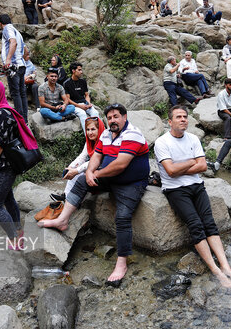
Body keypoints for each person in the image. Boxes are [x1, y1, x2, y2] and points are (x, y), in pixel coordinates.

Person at [39, 103, 150, 284]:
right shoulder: (106, 134)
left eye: (116, 116)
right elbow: (96, 156)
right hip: (109, 178)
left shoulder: (133, 134)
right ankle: (63, 220)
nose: (112, 120)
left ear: (124, 117)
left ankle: (122, 262)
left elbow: (120, 164)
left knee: (122, 216)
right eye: (110, 117)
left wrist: (96, 173)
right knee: (82, 180)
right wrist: (89, 172)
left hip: (131, 183)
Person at [155, 106, 231, 289]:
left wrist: (182, 165)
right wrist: (190, 161)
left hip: (196, 186)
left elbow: (203, 166)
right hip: (175, 189)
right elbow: (171, 172)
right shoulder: (162, 142)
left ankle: (226, 267)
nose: (183, 120)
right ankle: (216, 271)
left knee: (209, 223)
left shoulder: (193, 138)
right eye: (178, 117)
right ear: (170, 122)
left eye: (185, 117)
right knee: (196, 226)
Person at [0, 78, 39, 249]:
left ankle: (14, 238)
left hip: (4, 166)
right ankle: (18, 232)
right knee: (8, 198)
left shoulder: (3, 113)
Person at [51, 116, 106, 200]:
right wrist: (71, 167)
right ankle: (65, 196)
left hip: (102, 170)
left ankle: (71, 199)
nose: (89, 133)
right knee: (74, 170)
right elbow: (82, 156)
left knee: (78, 173)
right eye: (88, 130)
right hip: (92, 166)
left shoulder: (105, 142)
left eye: (93, 129)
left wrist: (76, 170)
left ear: (99, 129)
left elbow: (96, 161)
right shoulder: (90, 141)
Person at [0, 14, 28, 122]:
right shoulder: (17, 31)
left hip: (13, 66)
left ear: (0, 23)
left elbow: (13, 42)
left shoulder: (7, 29)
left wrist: (8, 59)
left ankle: (20, 119)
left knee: (15, 93)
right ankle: (25, 118)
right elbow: (26, 50)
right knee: (22, 92)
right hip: (21, 65)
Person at [64, 62, 99, 132]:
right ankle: (88, 138)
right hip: (74, 105)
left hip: (84, 103)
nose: (81, 72)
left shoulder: (83, 81)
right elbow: (68, 99)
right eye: (79, 70)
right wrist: (80, 106)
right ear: (73, 71)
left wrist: (88, 103)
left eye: (81, 70)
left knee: (95, 113)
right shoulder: (67, 83)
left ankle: (97, 136)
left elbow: (86, 95)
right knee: (82, 114)